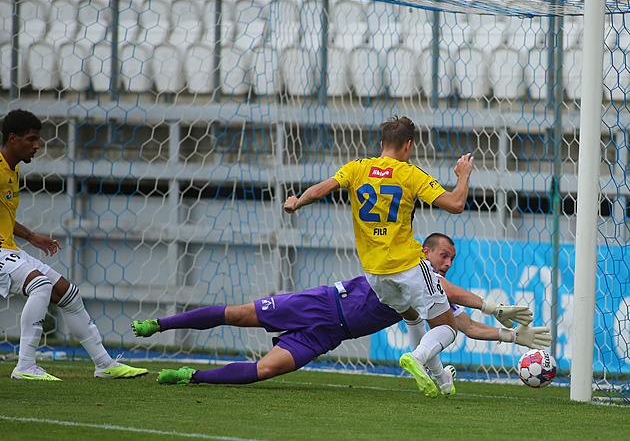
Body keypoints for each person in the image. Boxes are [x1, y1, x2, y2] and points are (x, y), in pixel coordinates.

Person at [131, 234, 550, 392]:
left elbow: (462, 324)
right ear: (425, 251)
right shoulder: (406, 264)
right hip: (319, 303)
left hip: (328, 336)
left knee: (266, 370)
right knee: (238, 314)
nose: (446, 262)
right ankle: (160, 324)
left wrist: (511, 338)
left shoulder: (429, 289)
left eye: (451, 259)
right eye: (443, 254)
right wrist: (493, 306)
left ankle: (191, 377)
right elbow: (452, 298)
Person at [283, 115, 474, 397]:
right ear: (408, 145)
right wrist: (463, 175)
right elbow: (456, 204)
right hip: (408, 266)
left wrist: (297, 201)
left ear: (381, 143)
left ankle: (441, 378)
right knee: (447, 327)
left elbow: (320, 190)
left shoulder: (357, 168)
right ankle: (418, 357)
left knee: (411, 316)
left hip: (374, 273)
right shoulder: (411, 174)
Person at [0, 109, 148, 381]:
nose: (37, 145)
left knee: (68, 294)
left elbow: (4, 217)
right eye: (31, 139)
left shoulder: (12, 169)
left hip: (9, 248)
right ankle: (25, 366)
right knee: (40, 285)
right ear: (12, 138)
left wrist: (31, 236)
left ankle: (104, 364)